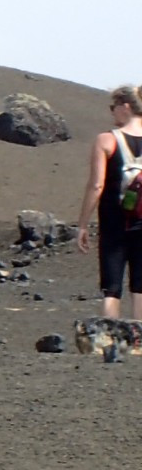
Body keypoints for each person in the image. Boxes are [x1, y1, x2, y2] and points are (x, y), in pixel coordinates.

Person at [78, 86, 142, 320]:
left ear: (125, 107)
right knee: (140, 287)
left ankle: (110, 342)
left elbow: (96, 185)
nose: (111, 113)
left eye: (112, 107)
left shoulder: (106, 140)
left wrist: (83, 224)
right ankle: (138, 345)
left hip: (115, 223)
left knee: (112, 289)